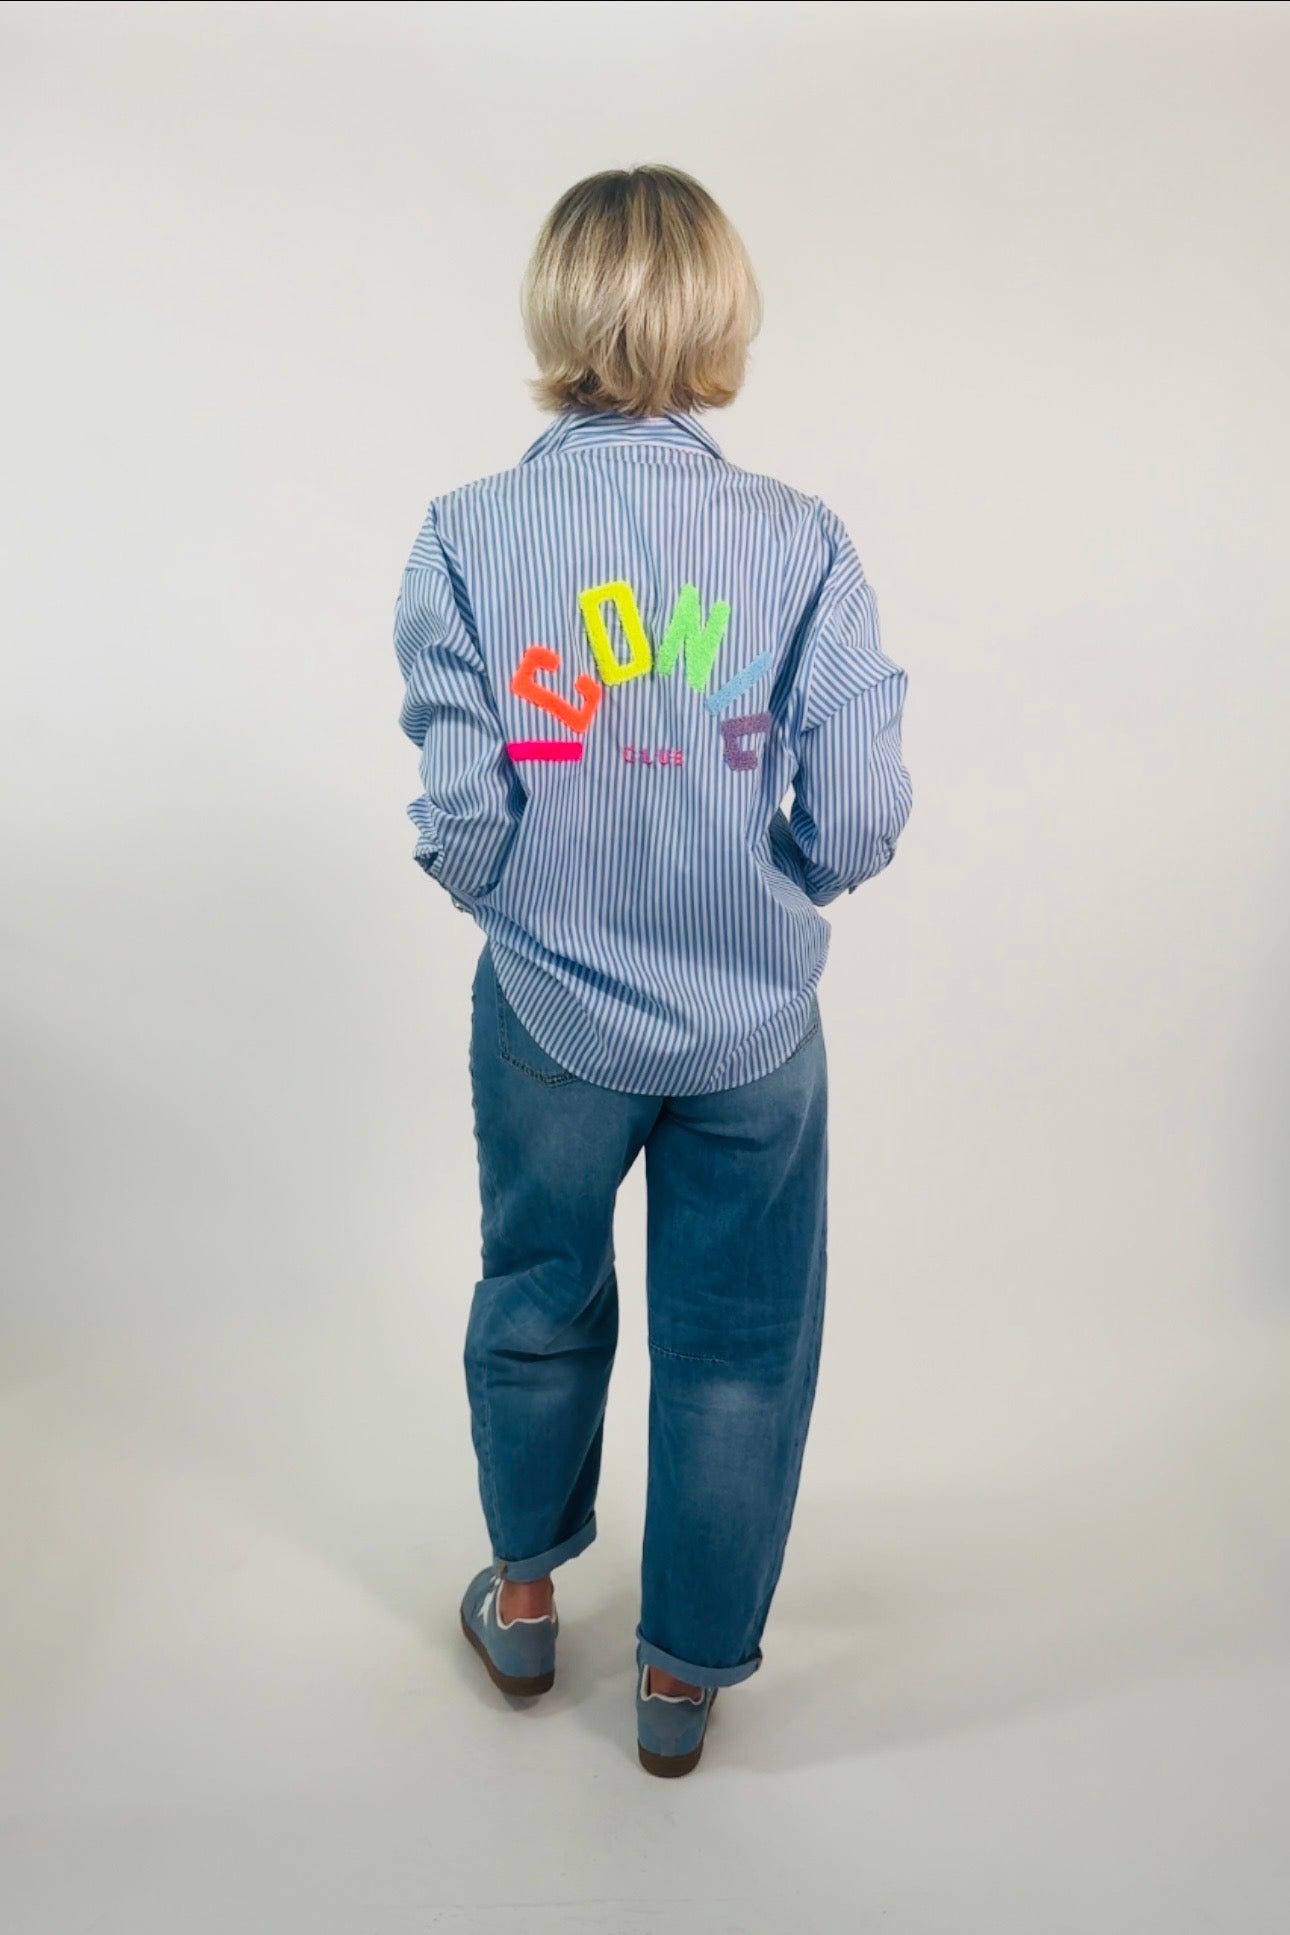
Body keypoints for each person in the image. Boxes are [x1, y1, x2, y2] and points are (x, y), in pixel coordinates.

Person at [392, 165, 913, 1776]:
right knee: (737, 1347)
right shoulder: (798, 541)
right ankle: (681, 1683)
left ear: (554, 308)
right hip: (752, 1027)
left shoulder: (466, 535)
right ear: (720, 315)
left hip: (548, 1014)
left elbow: (463, 809)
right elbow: (864, 807)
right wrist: (782, 886)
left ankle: (524, 1600)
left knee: (537, 1296)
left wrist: (519, 901)